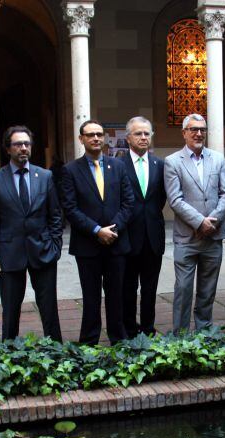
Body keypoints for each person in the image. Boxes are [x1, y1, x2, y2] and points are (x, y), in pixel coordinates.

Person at [0, 125, 63, 342]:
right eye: (18, 144)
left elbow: (55, 215)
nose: (23, 148)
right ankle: (9, 349)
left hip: (43, 250)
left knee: (49, 306)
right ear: (8, 149)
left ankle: (55, 349)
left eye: (27, 144)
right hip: (10, 252)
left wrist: (55, 246)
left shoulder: (45, 176)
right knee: (10, 307)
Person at [61, 120, 134, 344]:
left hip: (116, 242)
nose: (96, 138)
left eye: (99, 134)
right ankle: (90, 340)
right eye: (90, 135)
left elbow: (128, 202)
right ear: (81, 139)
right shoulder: (70, 170)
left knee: (116, 296)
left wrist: (113, 229)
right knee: (90, 297)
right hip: (87, 245)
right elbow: (70, 208)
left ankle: (118, 339)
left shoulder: (118, 166)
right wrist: (96, 230)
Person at [164, 113, 225, 333]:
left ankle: (204, 330)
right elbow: (175, 199)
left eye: (202, 129)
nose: (198, 133)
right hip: (187, 238)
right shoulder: (173, 162)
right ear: (184, 133)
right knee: (183, 288)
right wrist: (199, 222)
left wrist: (213, 221)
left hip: (213, 235)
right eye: (193, 129)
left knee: (207, 288)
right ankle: (181, 335)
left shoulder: (217, 158)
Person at [117, 116, 166, 338]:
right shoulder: (118, 165)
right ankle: (128, 328)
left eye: (147, 133)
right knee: (127, 288)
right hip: (127, 237)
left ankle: (148, 328)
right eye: (138, 133)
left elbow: (160, 199)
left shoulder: (160, 164)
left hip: (153, 237)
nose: (144, 137)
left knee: (150, 289)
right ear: (128, 138)